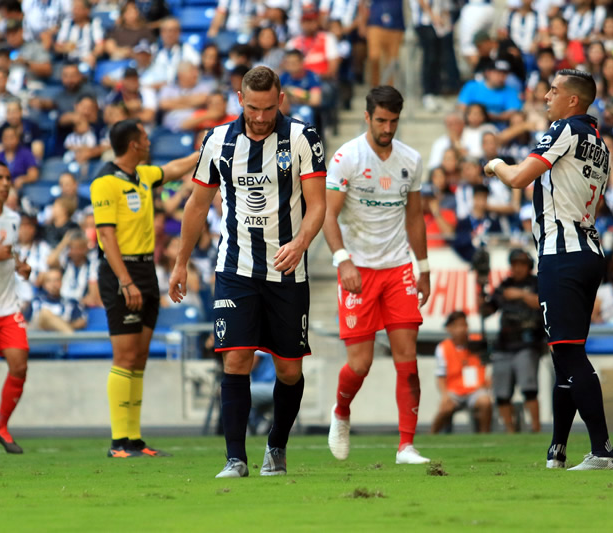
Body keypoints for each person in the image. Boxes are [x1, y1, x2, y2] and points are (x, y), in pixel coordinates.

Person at [169, 66, 327, 478]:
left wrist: (300, 243)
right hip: (236, 267)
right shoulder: (218, 140)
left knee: (290, 369)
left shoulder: (302, 137)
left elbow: (318, 205)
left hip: (287, 269)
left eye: (269, 108)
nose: (260, 116)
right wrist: (181, 261)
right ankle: (234, 458)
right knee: (235, 360)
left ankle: (276, 445)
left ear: (281, 100)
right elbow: (197, 205)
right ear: (240, 99)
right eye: (253, 108)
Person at [483, 69, 613, 470]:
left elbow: (520, 178)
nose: (546, 96)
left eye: (554, 91)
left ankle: (602, 450)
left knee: (569, 355)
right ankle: (557, 449)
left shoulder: (566, 129)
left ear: (573, 100)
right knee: (565, 355)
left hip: (562, 255)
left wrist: (495, 164)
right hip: (588, 251)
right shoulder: (600, 143)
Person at [324, 86, 431, 465]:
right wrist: (342, 260)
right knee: (360, 364)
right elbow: (327, 214)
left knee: (408, 359)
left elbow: (414, 216)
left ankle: (406, 446)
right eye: (381, 120)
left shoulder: (411, 159)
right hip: (358, 270)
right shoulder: (346, 158)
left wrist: (424, 267)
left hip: (399, 267)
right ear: (367, 117)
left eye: (393, 121)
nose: (387, 128)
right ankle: (340, 412)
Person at [90, 119, 199, 459]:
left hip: (146, 269)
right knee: (124, 356)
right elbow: (106, 237)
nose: (150, 140)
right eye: (145, 136)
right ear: (133, 144)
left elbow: (174, 169)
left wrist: (206, 150)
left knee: (138, 358)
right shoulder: (104, 183)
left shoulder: (143, 176)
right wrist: (125, 281)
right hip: (119, 271)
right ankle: (117, 442)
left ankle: (134, 439)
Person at [481, 248, 545, 433]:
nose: (518, 268)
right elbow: (489, 309)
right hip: (504, 343)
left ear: (529, 266)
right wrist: (482, 297)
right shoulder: (504, 285)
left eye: (522, 264)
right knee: (501, 392)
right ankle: (510, 430)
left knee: (529, 388)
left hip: (527, 341)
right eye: (515, 264)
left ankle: (536, 427)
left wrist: (520, 294)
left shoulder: (536, 283)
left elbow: (541, 303)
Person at [0, 161, 32, 453]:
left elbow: (12, 255)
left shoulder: (11, 218)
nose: (5, 183)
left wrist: (21, 266)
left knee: (19, 366)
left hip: (8, 307)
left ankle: (1, 426)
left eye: (7, 178)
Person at [431, 311, 492, 434]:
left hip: (476, 390)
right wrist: (445, 395)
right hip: (455, 391)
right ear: (449, 328)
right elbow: (440, 375)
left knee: (485, 402)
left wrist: (488, 384)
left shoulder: (478, 342)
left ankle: (485, 435)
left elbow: (490, 365)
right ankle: (432, 435)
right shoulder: (443, 347)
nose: (462, 329)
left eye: (464, 325)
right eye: (458, 325)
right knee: (445, 408)